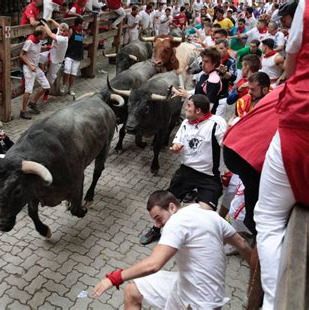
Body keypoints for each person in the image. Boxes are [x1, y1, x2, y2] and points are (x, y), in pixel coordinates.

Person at [92, 190, 252, 308]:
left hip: (196, 301)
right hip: (201, 291)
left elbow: (153, 265)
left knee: (131, 289)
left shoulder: (177, 221)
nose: (158, 225)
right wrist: (256, 281)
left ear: (172, 207)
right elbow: (242, 244)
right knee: (132, 291)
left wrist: (114, 278)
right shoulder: (212, 216)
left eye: (158, 218)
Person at [255, 0, 308, 308]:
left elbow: (293, 57)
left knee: (269, 218)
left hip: (300, 123)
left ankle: (274, 303)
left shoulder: (306, 6)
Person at [140, 95, 227, 245]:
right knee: (164, 204)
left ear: (198, 110)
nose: (185, 108)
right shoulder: (186, 123)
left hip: (209, 176)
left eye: (189, 106)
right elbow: (177, 142)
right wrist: (175, 147)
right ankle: (156, 229)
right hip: (186, 171)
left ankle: (193, 237)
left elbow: (226, 144)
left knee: (205, 214)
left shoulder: (216, 123)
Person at [36, 20, 70, 102]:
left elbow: (50, 34)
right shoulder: (60, 30)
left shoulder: (64, 39)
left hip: (56, 62)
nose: (61, 32)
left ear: (67, 32)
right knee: (37, 57)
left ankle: (46, 93)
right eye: (61, 30)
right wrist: (51, 20)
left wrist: (45, 24)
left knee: (49, 81)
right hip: (49, 55)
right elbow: (59, 26)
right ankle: (41, 70)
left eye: (63, 31)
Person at [20, 26, 50, 119]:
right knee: (28, 90)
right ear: (39, 35)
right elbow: (22, 55)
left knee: (46, 86)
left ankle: (33, 102)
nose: (45, 36)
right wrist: (30, 65)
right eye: (44, 34)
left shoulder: (39, 41)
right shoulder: (29, 42)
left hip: (36, 67)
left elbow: (38, 50)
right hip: (29, 67)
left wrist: (49, 47)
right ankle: (23, 111)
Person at [62, 17, 86, 97]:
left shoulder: (82, 32)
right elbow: (67, 40)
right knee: (67, 70)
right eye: (83, 24)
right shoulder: (71, 30)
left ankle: (70, 88)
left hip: (78, 55)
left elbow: (82, 41)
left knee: (73, 73)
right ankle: (64, 85)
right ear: (79, 24)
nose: (84, 25)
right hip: (69, 54)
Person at [215, 38, 237, 119]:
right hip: (210, 94)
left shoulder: (231, 61)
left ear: (227, 48)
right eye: (216, 48)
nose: (218, 51)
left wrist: (224, 73)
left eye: (221, 48)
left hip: (222, 95)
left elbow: (233, 77)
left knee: (218, 120)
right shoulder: (212, 59)